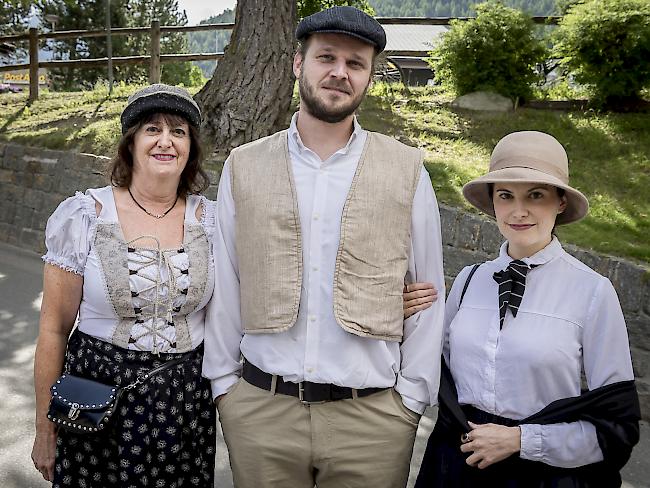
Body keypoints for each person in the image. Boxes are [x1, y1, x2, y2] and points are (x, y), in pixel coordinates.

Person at [202, 6, 446, 488]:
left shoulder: (406, 169)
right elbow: (225, 281)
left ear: (369, 77)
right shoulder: (244, 165)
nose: (339, 73)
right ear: (298, 64)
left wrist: (410, 401)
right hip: (261, 412)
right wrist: (226, 390)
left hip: (372, 419)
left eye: (355, 63)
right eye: (326, 58)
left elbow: (428, 291)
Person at [414, 131, 640, 487]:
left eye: (536, 195)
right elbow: (432, 373)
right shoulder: (469, 281)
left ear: (560, 202)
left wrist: (521, 440)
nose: (519, 211)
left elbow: (617, 428)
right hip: (456, 467)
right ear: (492, 202)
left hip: (539, 476)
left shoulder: (593, 292)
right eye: (506, 196)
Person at [31, 84, 217, 487]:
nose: (165, 141)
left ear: (190, 148)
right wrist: (45, 430)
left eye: (179, 131)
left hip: (183, 403)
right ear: (130, 142)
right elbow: (53, 329)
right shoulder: (85, 216)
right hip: (96, 395)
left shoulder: (214, 222)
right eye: (152, 129)